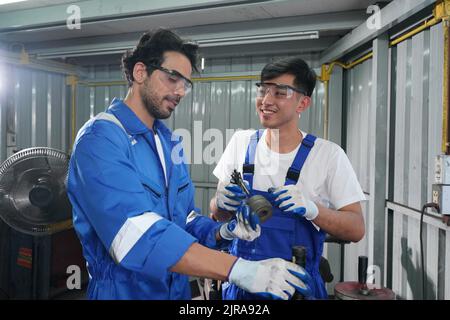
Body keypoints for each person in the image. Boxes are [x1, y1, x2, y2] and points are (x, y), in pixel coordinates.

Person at [66, 28, 313, 300]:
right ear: (140, 73)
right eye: (172, 78)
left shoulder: (169, 142)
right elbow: (135, 237)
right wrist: (241, 270)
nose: (180, 91)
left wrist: (224, 231)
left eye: (185, 83)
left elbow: (185, 220)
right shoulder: (101, 139)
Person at [210, 57, 366, 300]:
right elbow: (218, 217)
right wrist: (220, 203)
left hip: (296, 290)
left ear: (303, 103)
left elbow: (356, 229)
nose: (267, 100)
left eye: (280, 93)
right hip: (241, 285)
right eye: (263, 90)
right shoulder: (240, 143)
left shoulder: (327, 155)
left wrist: (314, 210)